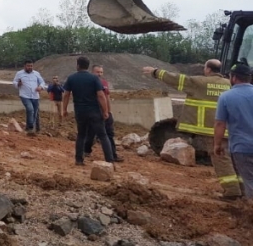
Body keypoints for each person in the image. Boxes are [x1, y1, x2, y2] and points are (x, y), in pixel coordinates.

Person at [143, 59, 242, 199]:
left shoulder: (199, 83)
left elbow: (175, 79)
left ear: (207, 69)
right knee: (234, 159)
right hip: (231, 128)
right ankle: (243, 189)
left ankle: (232, 191)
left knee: (220, 159)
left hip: (212, 130)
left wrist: (155, 72)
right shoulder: (229, 84)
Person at [62, 56, 114, 165]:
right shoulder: (94, 78)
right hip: (94, 111)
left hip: (80, 111)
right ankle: (110, 160)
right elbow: (101, 95)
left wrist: (64, 109)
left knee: (81, 135)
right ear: (88, 66)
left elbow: (66, 95)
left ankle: (79, 160)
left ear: (78, 65)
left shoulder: (71, 78)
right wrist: (105, 111)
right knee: (103, 135)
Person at [215, 62, 253, 199]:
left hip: (242, 148)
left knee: (250, 181)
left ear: (234, 78)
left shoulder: (226, 97)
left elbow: (220, 124)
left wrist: (217, 145)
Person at [84, 65, 122, 162]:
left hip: (105, 112)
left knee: (109, 134)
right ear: (92, 72)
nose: (100, 74)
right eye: (97, 72)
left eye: (101, 72)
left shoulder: (104, 83)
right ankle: (86, 150)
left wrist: (108, 111)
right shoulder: (88, 83)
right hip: (94, 112)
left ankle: (113, 155)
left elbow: (107, 97)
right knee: (91, 134)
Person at [13, 59, 46, 134]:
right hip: (25, 95)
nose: (30, 67)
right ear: (24, 66)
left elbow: (42, 82)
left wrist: (40, 87)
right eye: (28, 66)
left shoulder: (36, 74)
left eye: (31, 66)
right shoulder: (19, 73)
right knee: (30, 109)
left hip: (35, 96)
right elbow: (14, 82)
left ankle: (29, 128)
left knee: (34, 113)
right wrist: (18, 84)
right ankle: (31, 127)